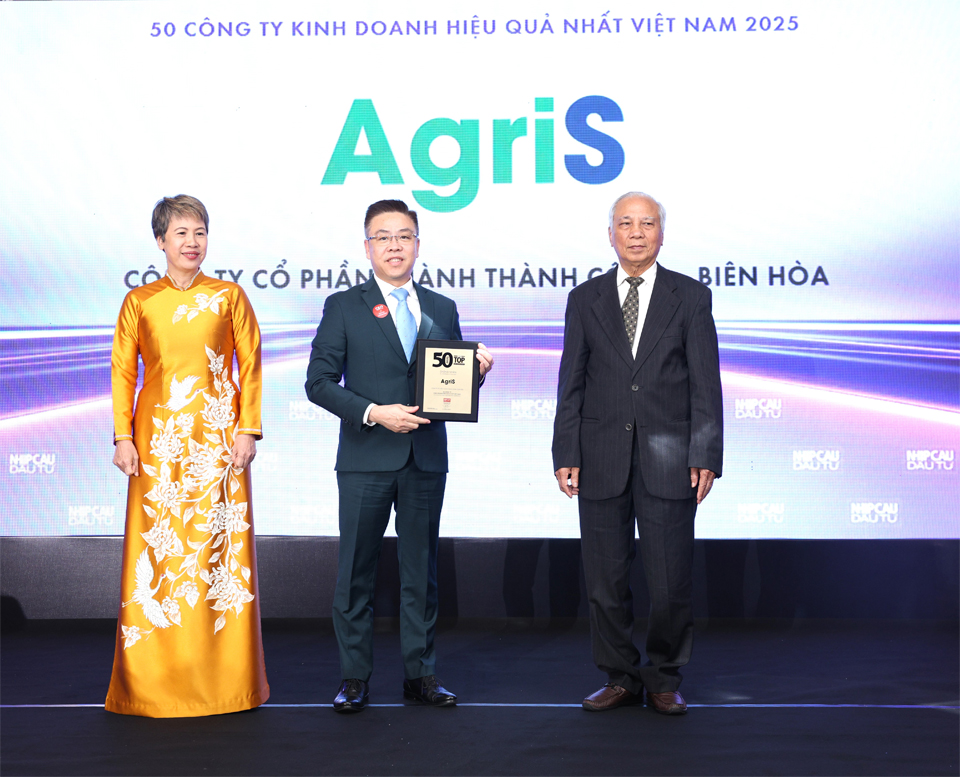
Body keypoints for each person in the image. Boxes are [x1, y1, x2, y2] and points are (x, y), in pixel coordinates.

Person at [305, 199, 493, 713]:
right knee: (355, 573)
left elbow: (448, 388)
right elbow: (319, 383)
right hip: (365, 458)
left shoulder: (441, 307)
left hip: (425, 459)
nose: (394, 246)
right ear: (367, 247)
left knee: (421, 574)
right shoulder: (344, 305)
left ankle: (421, 675)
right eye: (383, 237)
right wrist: (373, 412)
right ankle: (354, 678)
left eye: (404, 236)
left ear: (418, 244)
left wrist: (476, 375)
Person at [552, 191, 723, 715]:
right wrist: (565, 450)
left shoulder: (690, 296)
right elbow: (571, 381)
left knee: (670, 582)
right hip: (599, 454)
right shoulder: (584, 298)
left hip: (670, 458)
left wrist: (705, 453)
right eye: (625, 223)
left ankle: (664, 676)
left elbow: (705, 383)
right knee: (605, 583)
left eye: (646, 223)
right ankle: (620, 676)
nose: (636, 233)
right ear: (610, 234)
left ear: (661, 235)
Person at [106, 195, 269, 717]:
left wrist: (247, 429)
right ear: (160, 241)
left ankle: (226, 682)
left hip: (219, 444)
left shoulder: (229, 296)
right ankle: (152, 684)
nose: (192, 242)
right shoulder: (139, 302)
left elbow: (250, 365)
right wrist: (123, 437)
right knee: (158, 552)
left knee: (218, 552)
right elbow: (123, 372)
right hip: (157, 443)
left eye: (199, 232)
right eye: (180, 233)